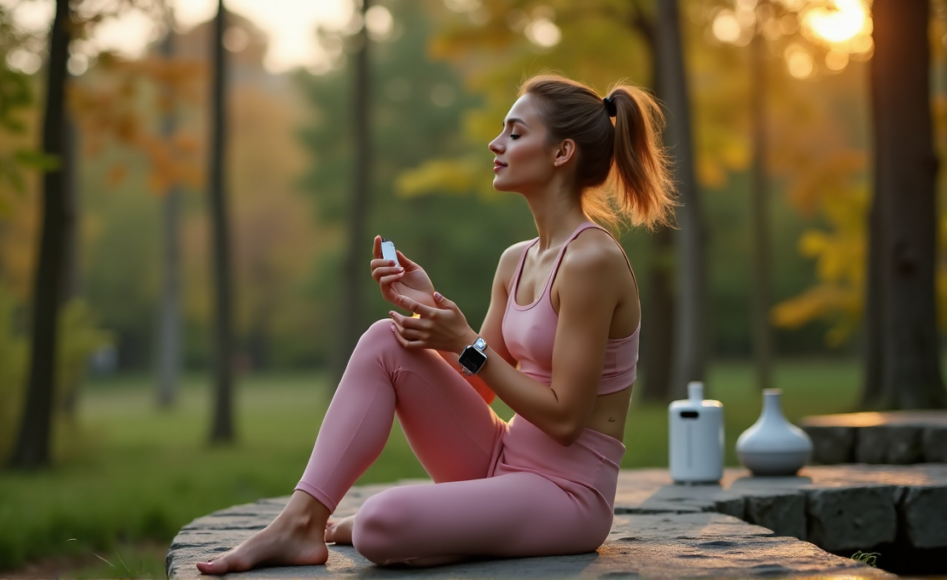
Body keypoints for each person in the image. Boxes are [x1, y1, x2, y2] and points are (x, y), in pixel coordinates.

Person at [195, 73, 675, 574]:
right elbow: (479, 386)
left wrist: (466, 341)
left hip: (567, 494)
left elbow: (565, 420)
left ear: (561, 153)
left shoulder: (591, 260)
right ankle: (300, 522)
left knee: (379, 521)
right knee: (386, 339)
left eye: (515, 132)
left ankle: (432, 528)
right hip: (500, 457)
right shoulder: (517, 260)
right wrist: (427, 306)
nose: (496, 143)